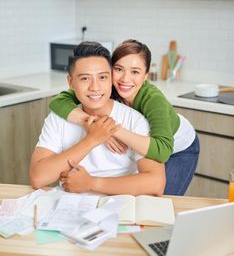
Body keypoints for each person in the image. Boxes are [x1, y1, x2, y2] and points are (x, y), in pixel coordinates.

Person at [49, 39, 200, 196]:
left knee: (162, 202)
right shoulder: (107, 86)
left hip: (179, 148)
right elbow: (57, 101)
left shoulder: (154, 100)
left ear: (146, 75)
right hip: (150, 144)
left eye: (135, 72)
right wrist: (92, 125)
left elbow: (162, 151)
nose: (125, 79)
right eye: (119, 69)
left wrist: (111, 130)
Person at [30, 41, 165, 196]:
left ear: (111, 79)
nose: (95, 87)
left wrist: (91, 183)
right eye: (85, 78)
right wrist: (92, 139)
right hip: (70, 207)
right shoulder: (58, 118)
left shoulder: (135, 120)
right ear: (70, 82)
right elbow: (38, 178)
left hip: (120, 207)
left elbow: (156, 183)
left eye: (102, 77)